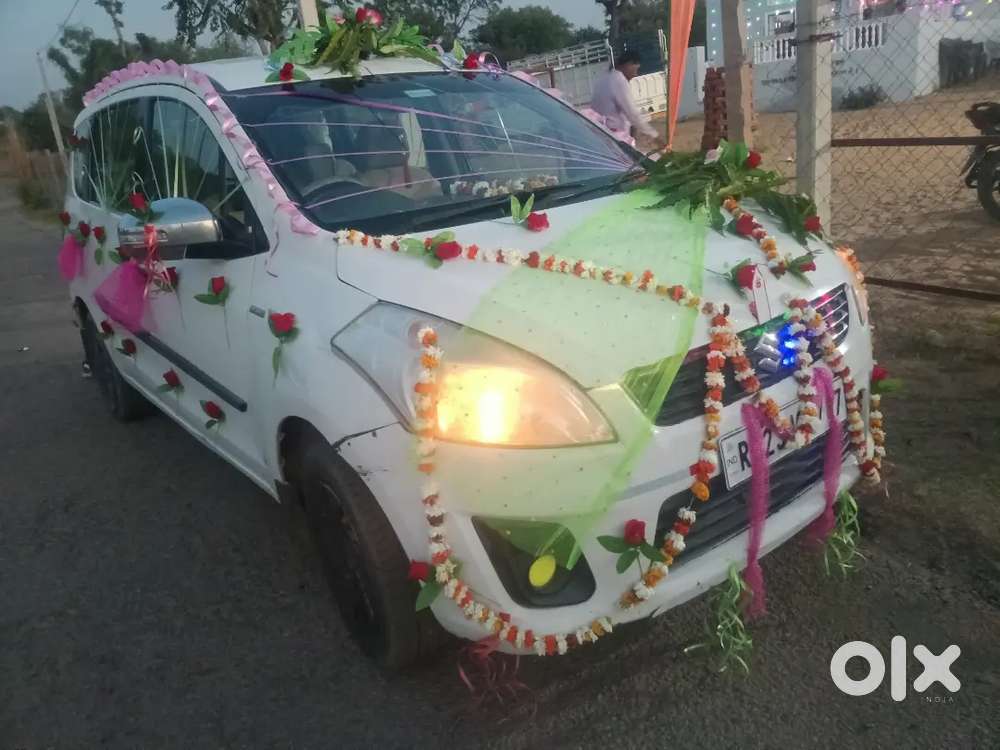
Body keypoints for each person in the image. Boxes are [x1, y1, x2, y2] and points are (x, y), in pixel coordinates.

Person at [591, 50, 666, 147]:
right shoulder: (618, 79)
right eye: (636, 70)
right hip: (614, 136)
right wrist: (656, 137)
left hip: (601, 133)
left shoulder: (605, 77)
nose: (635, 75)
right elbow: (632, 113)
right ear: (629, 64)